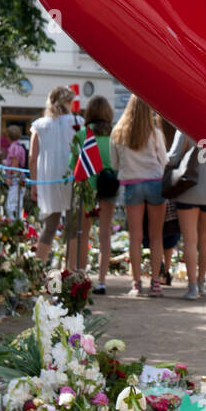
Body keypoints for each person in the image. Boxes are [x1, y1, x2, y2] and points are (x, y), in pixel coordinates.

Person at [110, 96, 167, 299]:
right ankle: (156, 283)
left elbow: (114, 164)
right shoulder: (155, 132)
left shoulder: (118, 133)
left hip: (132, 185)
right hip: (154, 183)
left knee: (135, 236)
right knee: (155, 236)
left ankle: (136, 283)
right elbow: (164, 160)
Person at [67, 97, 118, 294]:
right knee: (105, 235)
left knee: (83, 234)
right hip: (109, 187)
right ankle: (102, 281)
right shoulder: (115, 135)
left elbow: (73, 165)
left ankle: (81, 276)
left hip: (87, 188)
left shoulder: (81, 134)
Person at [29, 88, 81, 264]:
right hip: (71, 177)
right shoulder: (77, 121)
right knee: (73, 227)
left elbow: (32, 158)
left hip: (49, 179)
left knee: (50, 227)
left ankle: (38, 267)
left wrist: (34, 184)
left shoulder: (40, 125)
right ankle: (71, 270)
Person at [166, 134, 206, 299]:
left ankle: (192, 287)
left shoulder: (183, 127)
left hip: (188, 187)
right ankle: (202, 282)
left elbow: (173, 158)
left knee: (190, 240)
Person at [3, 125, 27, 220]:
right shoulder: (20, 146)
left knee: (11, 206)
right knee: (18, 205)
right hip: (21, 179)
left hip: (15, 180)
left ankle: (14, 226)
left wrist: (10, 178)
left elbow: (15, 164)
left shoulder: (14, 147)